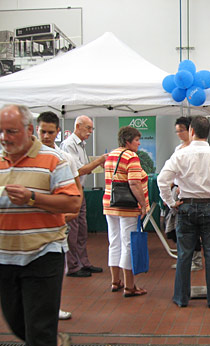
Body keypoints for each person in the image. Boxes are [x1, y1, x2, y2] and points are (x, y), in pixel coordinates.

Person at [0, 104, 81, 346]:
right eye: (1, 131)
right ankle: (57, 342)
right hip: (5, 257)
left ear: (28, 130)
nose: (5, 137)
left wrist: (33, 197)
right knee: (19, 326)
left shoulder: (54, 159)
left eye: (11, 131)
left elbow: (73, 201)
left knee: (39, 333)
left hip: (43, 254)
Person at [158, 116, 210, 308]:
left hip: (186, 207)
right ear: (208, 133)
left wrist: (171, 202)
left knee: (184, 254)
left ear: (191, 131)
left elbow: (162, 180)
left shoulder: (180, 155)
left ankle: (181, 298)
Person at [37, 111, 83, 320]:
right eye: (42, 131)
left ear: (57, 132)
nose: (46, 136)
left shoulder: (65, 158)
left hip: (56, 226)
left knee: (55, 268)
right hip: (32, 226)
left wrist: (71, 213)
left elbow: (77, 189)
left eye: (50, 132)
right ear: (36, 130)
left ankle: (52, 307)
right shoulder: (27, 157)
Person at [103, 126, 149, 297]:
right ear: (128, 141)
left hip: (109, 203)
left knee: (114, 242)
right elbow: (134, 183)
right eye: (137, 140)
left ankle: (115, 281)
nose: (139, 143)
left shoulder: (111, 155)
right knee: (128, 243)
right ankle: (130, 286)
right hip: (127, 206)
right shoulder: (132, 157)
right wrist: (143, 204)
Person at [61, 115, 107, 277]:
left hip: (80, 190)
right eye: (88, 128)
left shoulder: (81, 145)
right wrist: (99, 160)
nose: (90, 132)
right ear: (78, 126)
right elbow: (79, 171)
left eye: (92, 129)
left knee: (82, 228)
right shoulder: (69, 145)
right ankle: (72, 266)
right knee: (73, 230)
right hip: (71, 191)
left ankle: (83, 262)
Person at [164, 116, 203, 272]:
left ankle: (196, 261)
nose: (179, 134)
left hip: (191, 194)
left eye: (182, 130)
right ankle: (185, 260)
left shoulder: (197, 149)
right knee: (176, 228)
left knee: (191, 230)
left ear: (190, 130)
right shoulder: (178, 149)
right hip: (177, 193)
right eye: (177, 131)